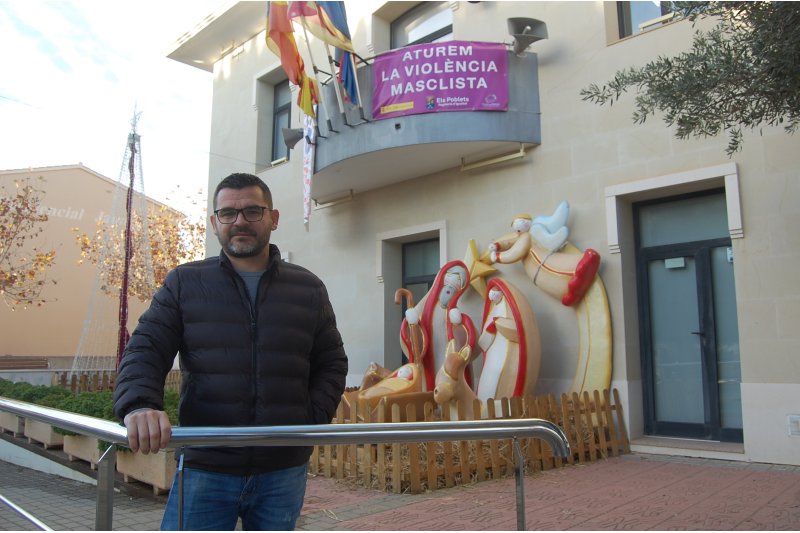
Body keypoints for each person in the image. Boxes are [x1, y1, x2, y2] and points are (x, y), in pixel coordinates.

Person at [112, 172, 348, 531]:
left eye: (253, 211)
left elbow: (331, 362)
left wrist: (310, 419)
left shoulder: (308, 288)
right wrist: (140, 403)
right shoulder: (185, 283)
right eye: (228, 213)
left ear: (273, 218)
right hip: (205, 466)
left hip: (283, 470)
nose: (240, 221)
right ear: (214, 222)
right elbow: (146, 347)